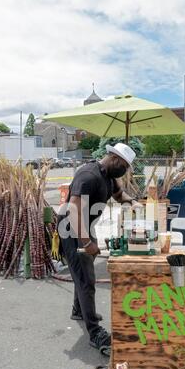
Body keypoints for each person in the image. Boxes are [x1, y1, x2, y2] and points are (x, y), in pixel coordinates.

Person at [57, 143, 140, 352]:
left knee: (82, 272)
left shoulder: (109, 177)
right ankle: (95, 332)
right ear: (113, 158)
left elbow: (119, 195)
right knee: (87, 278)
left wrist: (133, 203)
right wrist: (87, 243)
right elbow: (73, 210)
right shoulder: (88, 175)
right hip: (72, 229)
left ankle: (79, 309)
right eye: (123, 165)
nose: (125, 170)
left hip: (85, 226)